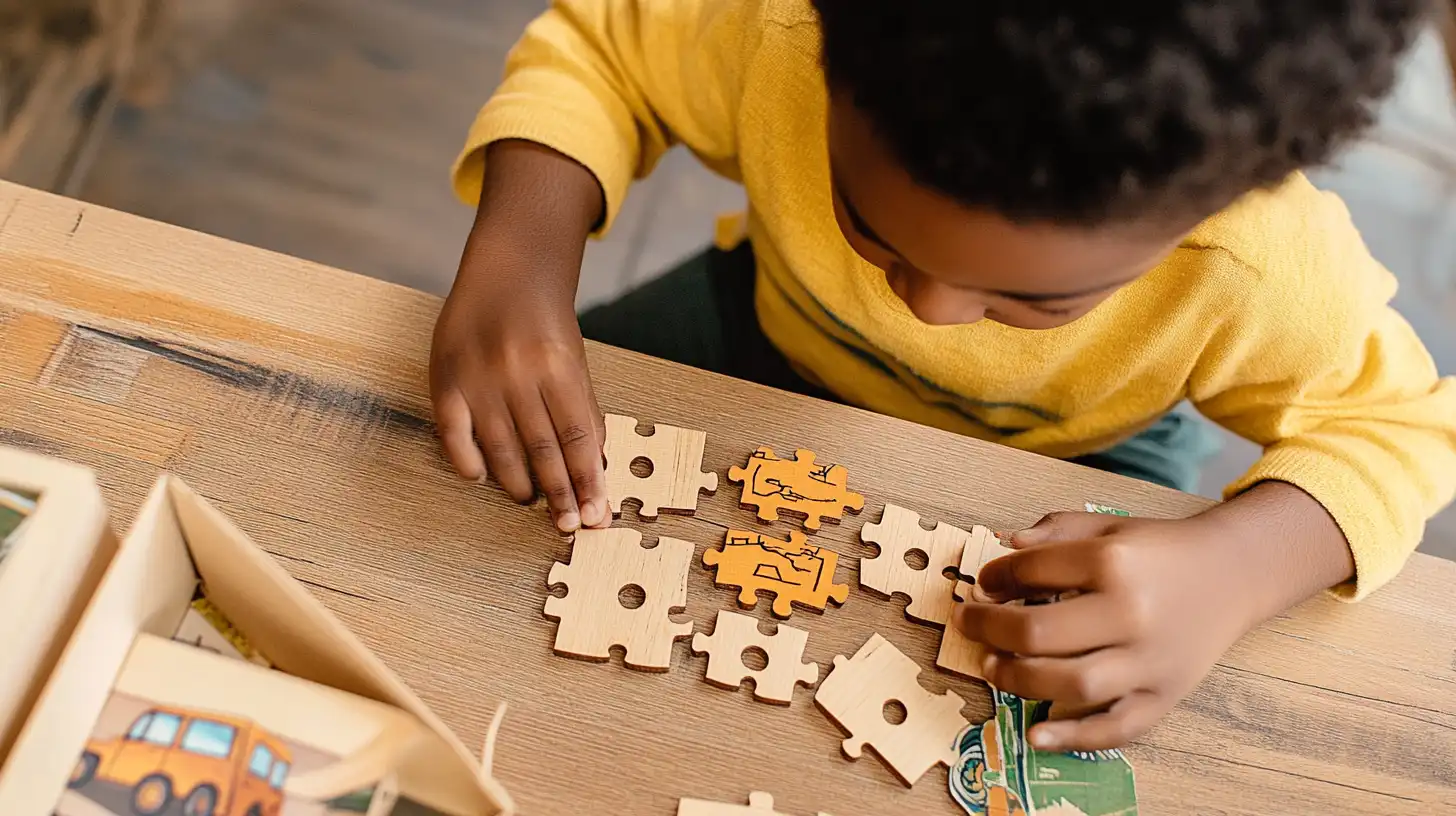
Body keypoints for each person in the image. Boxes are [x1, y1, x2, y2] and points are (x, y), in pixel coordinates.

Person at [430, 0, 1456, 751]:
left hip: (1081, 450)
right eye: (871, 228)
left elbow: (1403, 429)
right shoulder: (782, 32)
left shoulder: (1267, 266)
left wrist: (1238, 566)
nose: (930, 310)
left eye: (1038, 300)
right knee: (463, 483)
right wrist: (519, 260)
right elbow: (605, 49)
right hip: (751, 331)